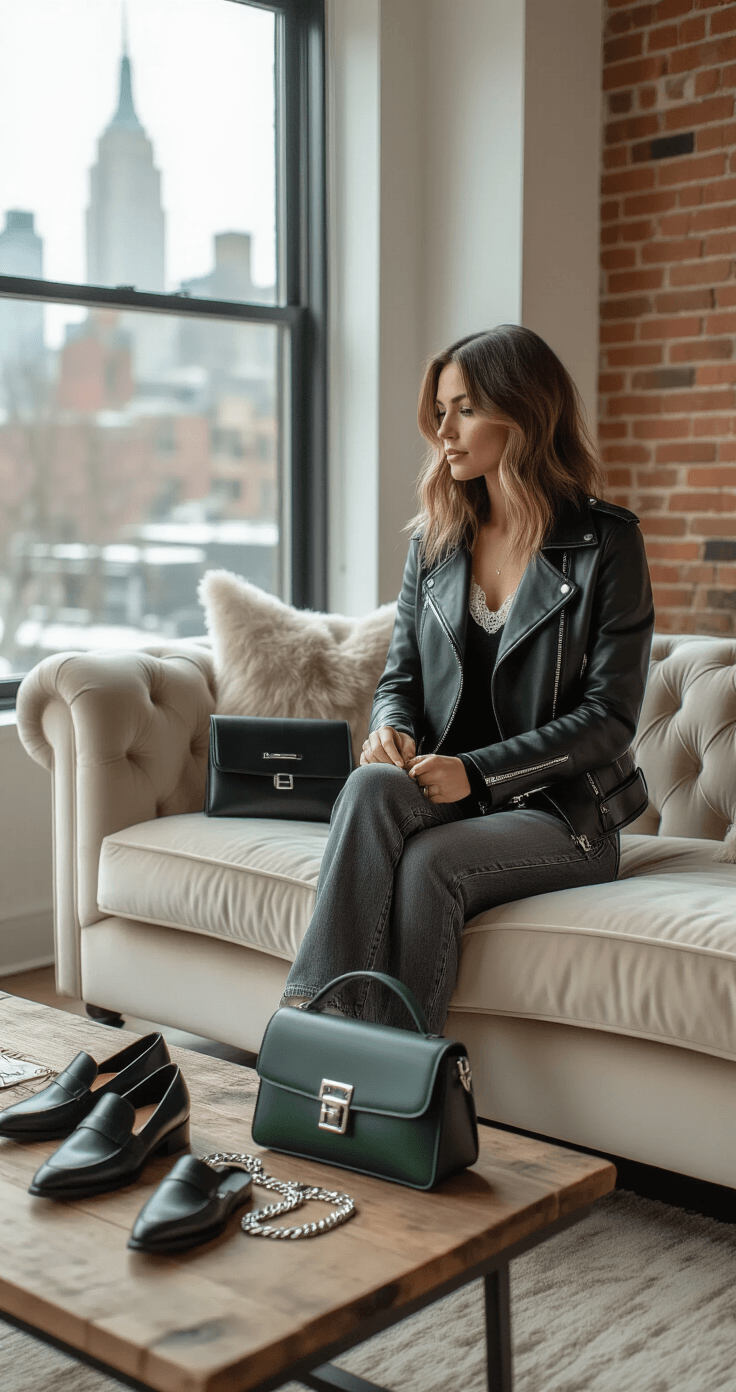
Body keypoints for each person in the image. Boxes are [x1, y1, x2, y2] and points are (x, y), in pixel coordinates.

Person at [281, 325, 654, 1032]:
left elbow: (611, 718)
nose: (443, 429)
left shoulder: (606, 542)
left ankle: (387, 1076)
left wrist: (477, 774)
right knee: (368, 784)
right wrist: (389, 725)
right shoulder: (437, 539)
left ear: (525, 412)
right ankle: (318, 1028)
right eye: (441, 409)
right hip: (446, 790)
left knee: (430, 867)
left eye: (465, 409)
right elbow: (401, 676)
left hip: (565, 816)